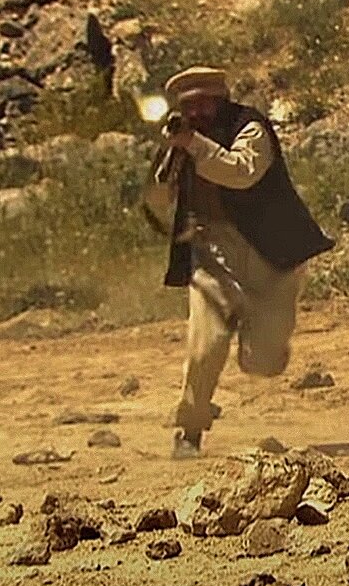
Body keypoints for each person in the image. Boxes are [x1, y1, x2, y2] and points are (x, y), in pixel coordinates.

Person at [143, 66, 334, 459]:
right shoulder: (184, 142)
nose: (196, 114)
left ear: (221, 101)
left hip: (271, 253)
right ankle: (190, 428)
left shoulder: (250, 128)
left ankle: (264, 346)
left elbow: (241, 173)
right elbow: (157, 201)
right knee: (206, 344)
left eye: (203, 105)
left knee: (262, 361)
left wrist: (194, 145)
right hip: (212, 253)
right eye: (188, 107)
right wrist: (169, 160)